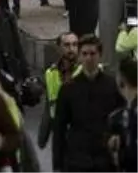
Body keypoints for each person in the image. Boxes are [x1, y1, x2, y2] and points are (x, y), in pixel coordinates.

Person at [52, 34, 124, 173]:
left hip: (104, 160)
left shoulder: (112, 86)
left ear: (100, 55)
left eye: (93, 54)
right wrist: (57, 165)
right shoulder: (68, 88)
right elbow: (59, 129)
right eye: (84, 54)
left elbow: (120, 120)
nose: (89, 58)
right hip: (77, 161)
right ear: (79, 56)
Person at [38, 31, 80, 150]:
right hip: (60, 130)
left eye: (75, 44)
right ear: (59, 48)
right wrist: (43, 134)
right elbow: (49, 104)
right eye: (67, 45)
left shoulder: (84, 70)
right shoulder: (51, 73)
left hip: (80, 131)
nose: (71, 49)